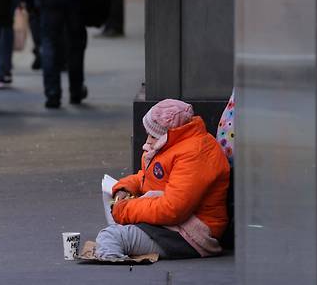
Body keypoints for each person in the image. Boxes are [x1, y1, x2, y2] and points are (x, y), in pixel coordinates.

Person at [96, 99, 230, 260]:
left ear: (168, 135)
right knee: (115, 219)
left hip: (191, 235)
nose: (148, 141)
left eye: (153, 135)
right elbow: (147, 177)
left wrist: (125, 209)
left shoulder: (194, 153)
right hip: (171, 225)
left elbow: (173, 209)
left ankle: (114, 267)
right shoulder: (173, 145)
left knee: (111, 237)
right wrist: (124, 188)